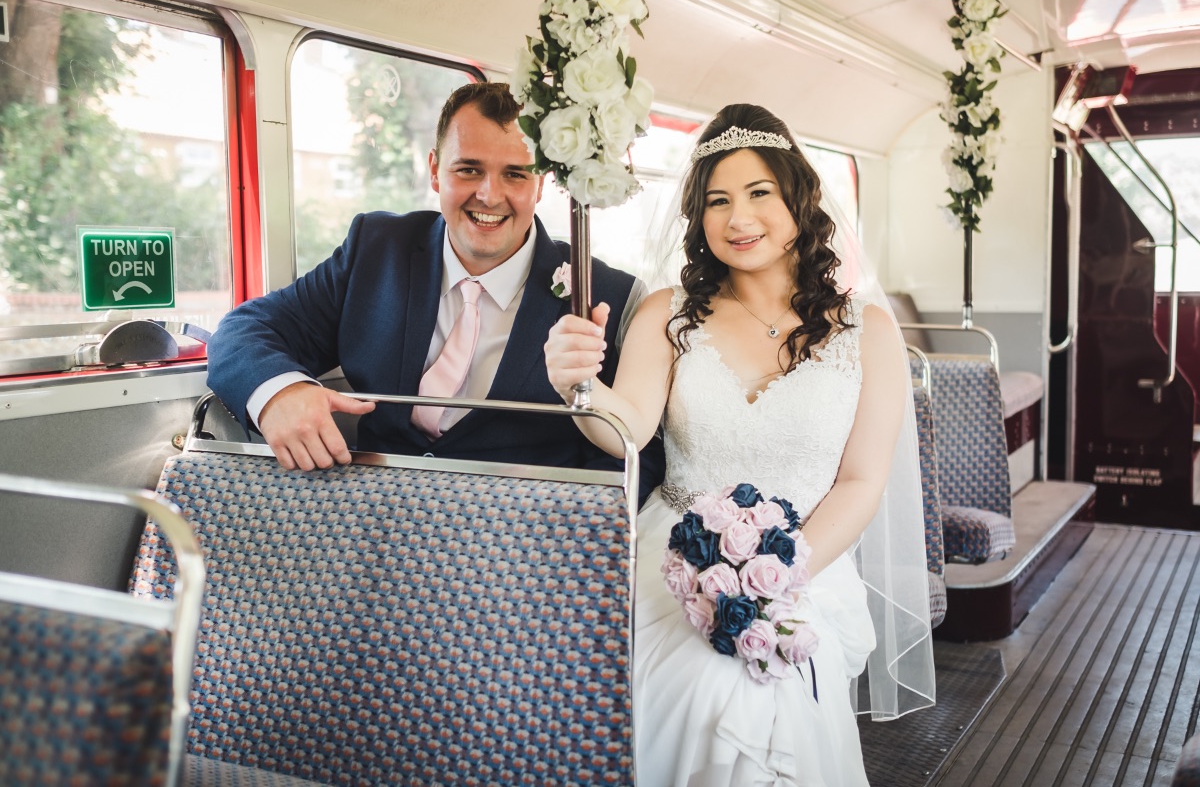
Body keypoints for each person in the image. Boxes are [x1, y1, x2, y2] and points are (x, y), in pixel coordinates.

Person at [545, 104, 935, 784]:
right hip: (678, 557)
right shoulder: (666, 313)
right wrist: (578, 386)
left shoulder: (867, 331)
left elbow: (862, 481)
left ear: (799, 199)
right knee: (699, 687)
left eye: (759, 194)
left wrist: (783, 572)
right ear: (698, 218)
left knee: (770, 690)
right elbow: (628, 428)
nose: (738, 218)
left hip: (813, 556)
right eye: (717, 201)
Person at [207, 81, 663, 503]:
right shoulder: (376, 249)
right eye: (469, 169)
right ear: (434, 170)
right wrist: (279, 394)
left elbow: (641, 454)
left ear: (541, 182)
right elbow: (246, 328)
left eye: (515, 175)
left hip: (523, 555)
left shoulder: (608, 294)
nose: (489, 195)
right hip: (370, 527)